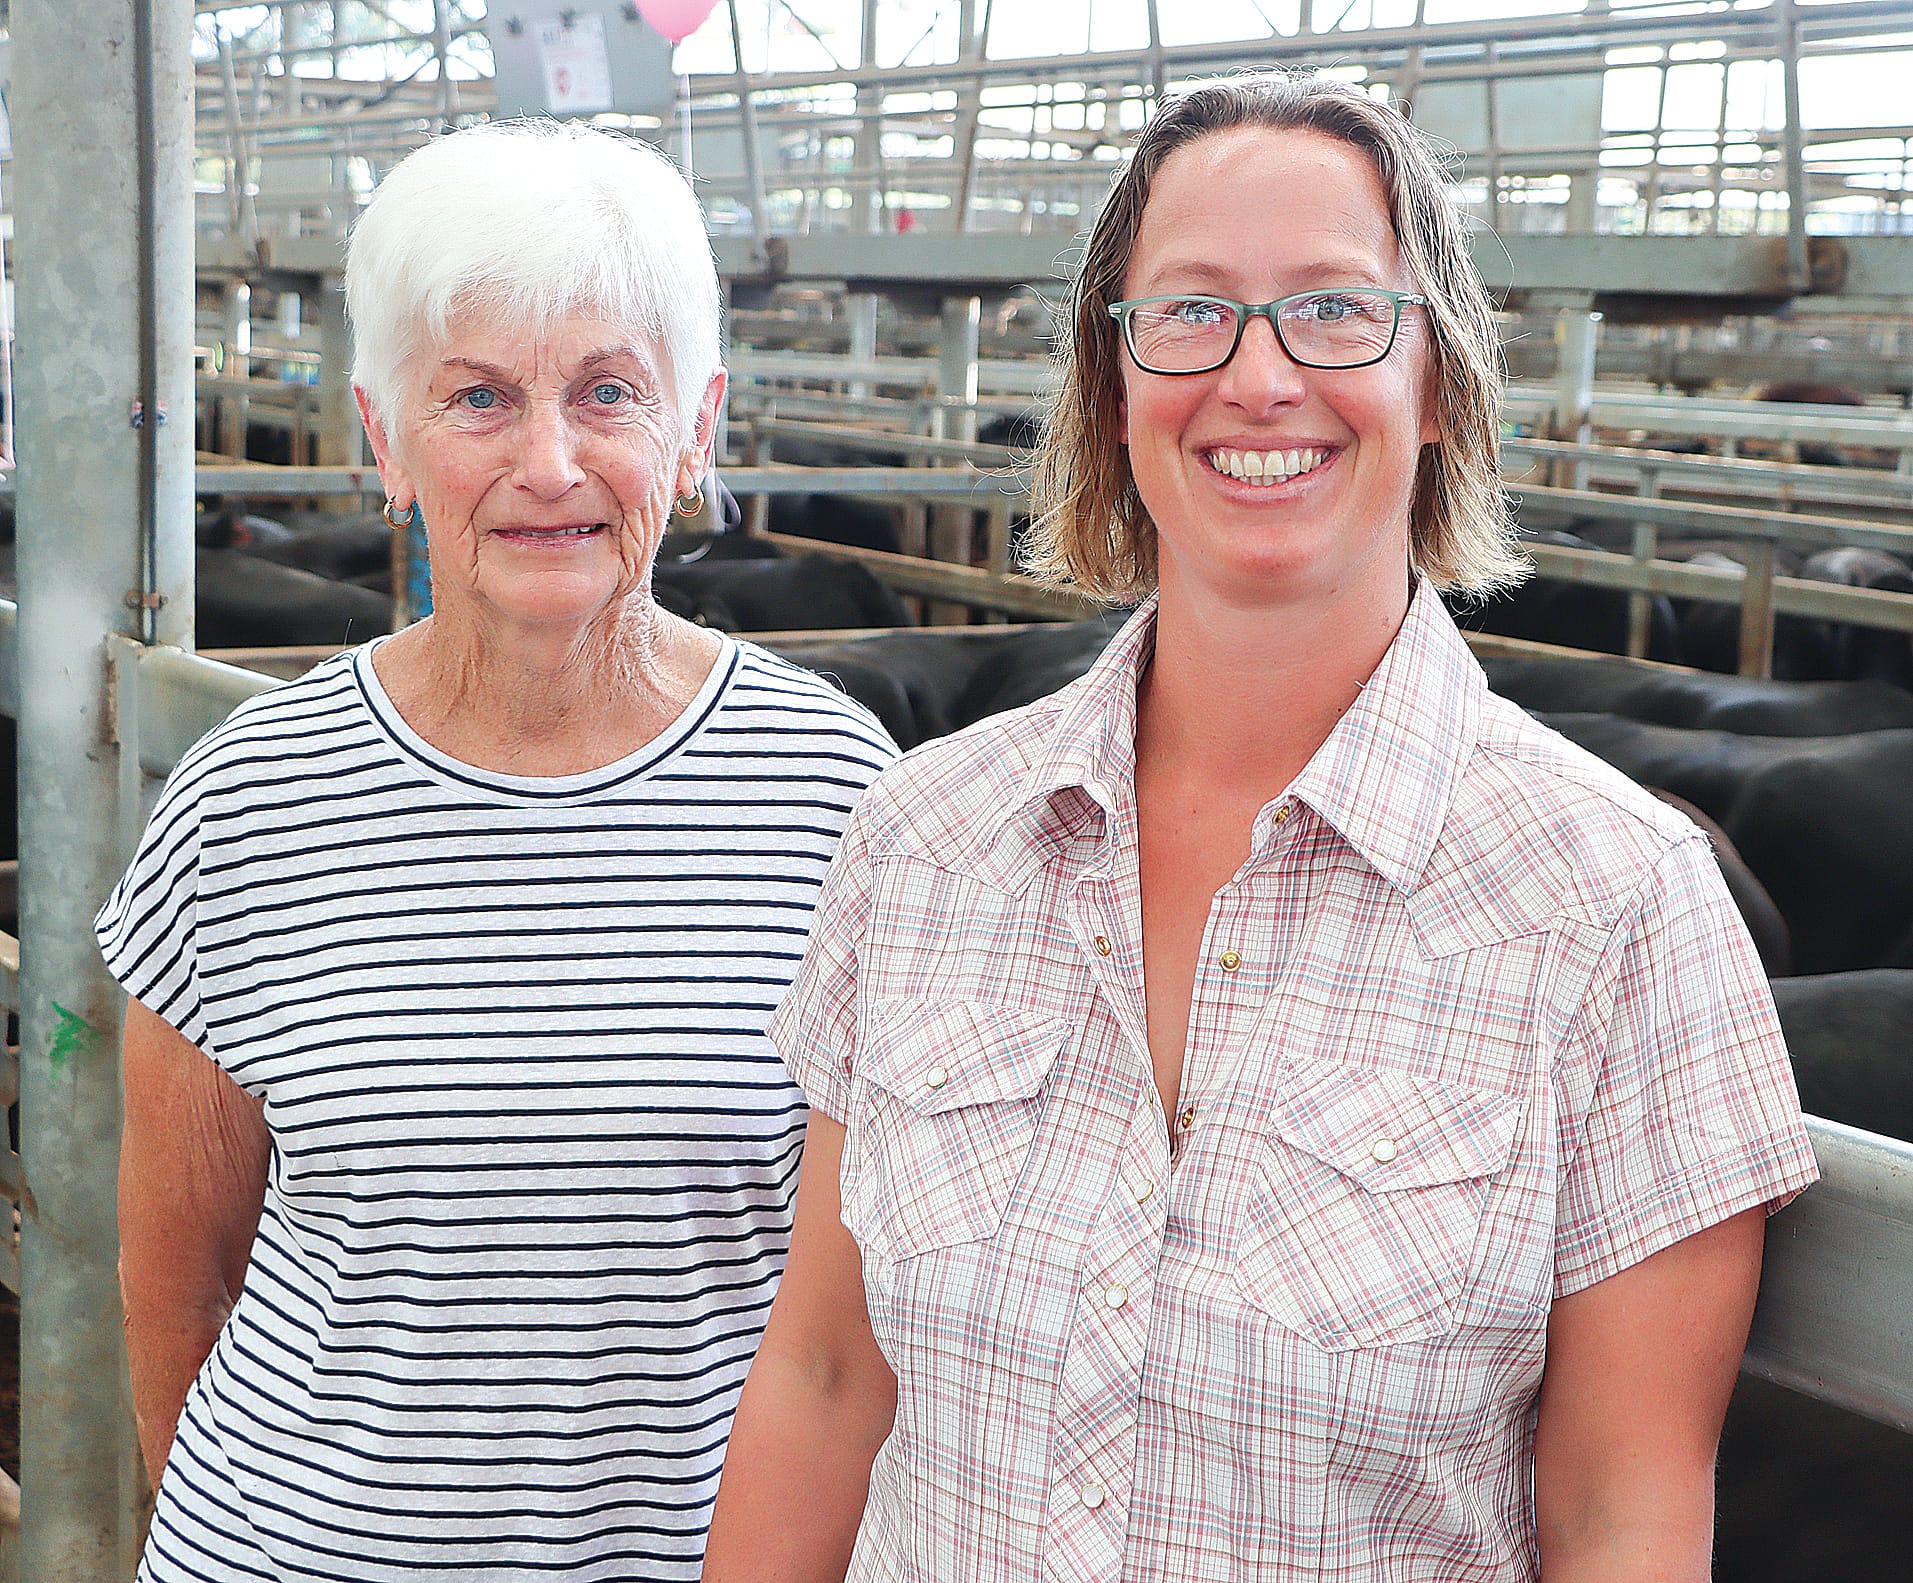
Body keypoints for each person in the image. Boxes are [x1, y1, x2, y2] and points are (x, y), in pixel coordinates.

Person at [703, 71, 1818, 1583]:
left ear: (1437, 383)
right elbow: (826, 1383)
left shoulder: (1618, 907)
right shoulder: (919, 838)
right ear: (1113, 384)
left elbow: (1622, 1519)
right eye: (1188, 313)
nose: (1258, 376)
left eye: (1334, 309)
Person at [98, 120, 894, 1583]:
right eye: (477, 396)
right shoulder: (244, 800)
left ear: (695, 427)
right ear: (382, 437)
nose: (550, 462)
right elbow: (174, 1271)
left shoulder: (844, 793)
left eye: (608, 392)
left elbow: (866, 1307)